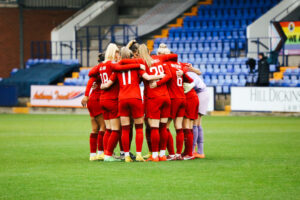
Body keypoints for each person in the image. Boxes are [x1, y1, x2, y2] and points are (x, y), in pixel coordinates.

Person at [102, 47, 164, 162]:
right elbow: (147, 77)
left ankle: (126, 155)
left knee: (125, 129)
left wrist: (101, 86)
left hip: (122, 99)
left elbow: (107, 84)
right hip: (135, 98)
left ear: (120, 56)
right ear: (131, 56)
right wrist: (161, 76)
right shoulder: (137, 65)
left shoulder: (118, 68)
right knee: (139, 128)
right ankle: (139, 154)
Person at [81, 53, 105, 161]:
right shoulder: (102, 70)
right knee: (103, 127)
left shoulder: (96, 69)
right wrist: (86, 95)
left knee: (95, 129)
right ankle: (100, 152)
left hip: (92, 99)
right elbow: (91, 80)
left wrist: (87, 96)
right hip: (98, 100)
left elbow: (91, 80)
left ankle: (92, 154)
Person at [183, 68, 209, 159]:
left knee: (195, 123)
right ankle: (199, 151)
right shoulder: (188, 71)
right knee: (197, 123)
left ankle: (193, 150)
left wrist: (192, 85)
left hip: (200, 94)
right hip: (201, 93)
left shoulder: (187, 73)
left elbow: (197, 80)